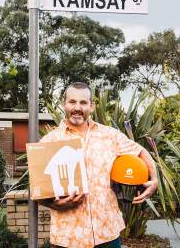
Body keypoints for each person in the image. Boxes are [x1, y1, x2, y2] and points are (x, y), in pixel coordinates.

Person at [38, 82, 158, 248]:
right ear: (63, 104)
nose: (77, 107)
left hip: (107, 234)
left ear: (92, 106)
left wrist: (154, 179)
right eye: (72, 102)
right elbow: (37, 190)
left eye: (83, 102)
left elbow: (140, 152)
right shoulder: (49, 142)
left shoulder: (110, 135)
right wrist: (53, 204)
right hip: (68, 238)